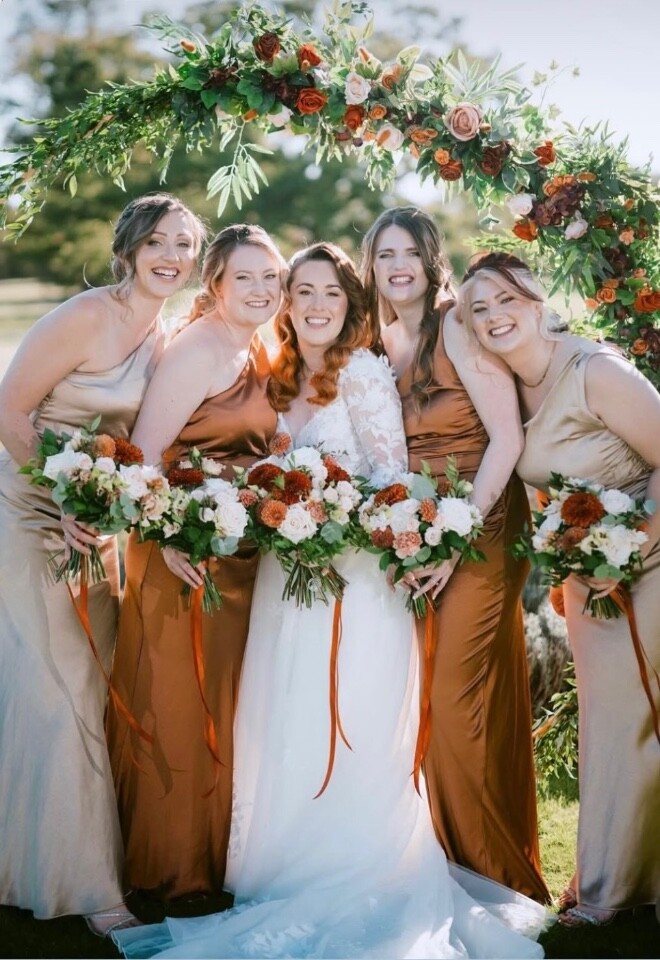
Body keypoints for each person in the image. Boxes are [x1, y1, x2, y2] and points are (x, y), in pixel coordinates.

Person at [112, 242, 550, 960]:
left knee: (351, 725)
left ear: (351, 307)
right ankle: (276, 869)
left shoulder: (367, 374)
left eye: (331, 295)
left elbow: (389, 477)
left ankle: (363, 863)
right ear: (287, 302)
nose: (315, 305)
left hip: (358, 585)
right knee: (281, 719)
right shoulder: (272, 375)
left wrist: (335, 515)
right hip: (286, 587)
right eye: (303, 291)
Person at [0, 193, 205, 934]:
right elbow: (10, 410)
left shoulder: (167, 331)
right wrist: (58, 499)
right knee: (66, 685)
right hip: (29, 507)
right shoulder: (88, 316)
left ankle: (31, 856)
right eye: (158, 241)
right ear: (128, 248)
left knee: (90, 675)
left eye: (184, 243)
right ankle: (90, 891)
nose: (172, 255)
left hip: (96, 516)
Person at [457, 250, 660, 926]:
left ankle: (619, 891)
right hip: (589, 575)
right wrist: (583, 557)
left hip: (653, 555)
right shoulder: (506, 391)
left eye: (505, 299)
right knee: (612, 726)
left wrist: (636, 545)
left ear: (537, 299)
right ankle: (615, 886)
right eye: (479, 308)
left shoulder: (594, 371)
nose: (494, 316)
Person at [361, 206, 550, 904]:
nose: (399, 265)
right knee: (430, 695)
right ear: (371, 265)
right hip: (422, 528)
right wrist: (407, 532)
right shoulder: (376, 340)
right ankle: (439, 857)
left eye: (411, 251)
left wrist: (458, 535)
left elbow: (506, 437)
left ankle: (491, 869)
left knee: (457, 693)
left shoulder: (456, 327)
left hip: (484, 523)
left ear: (431, 258)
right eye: (385, 255)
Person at [106, 224, 284, 916]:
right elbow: (144, 455)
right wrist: (169, 534)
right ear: (215, 283)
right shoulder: (198, 348)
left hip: (237, 557)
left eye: (271, 277)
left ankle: (213, 856)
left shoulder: (257, 346)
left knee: (222, 708)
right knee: (180, 709)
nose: (262, 290)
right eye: (246, 277)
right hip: (182, 552)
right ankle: (172, 869)